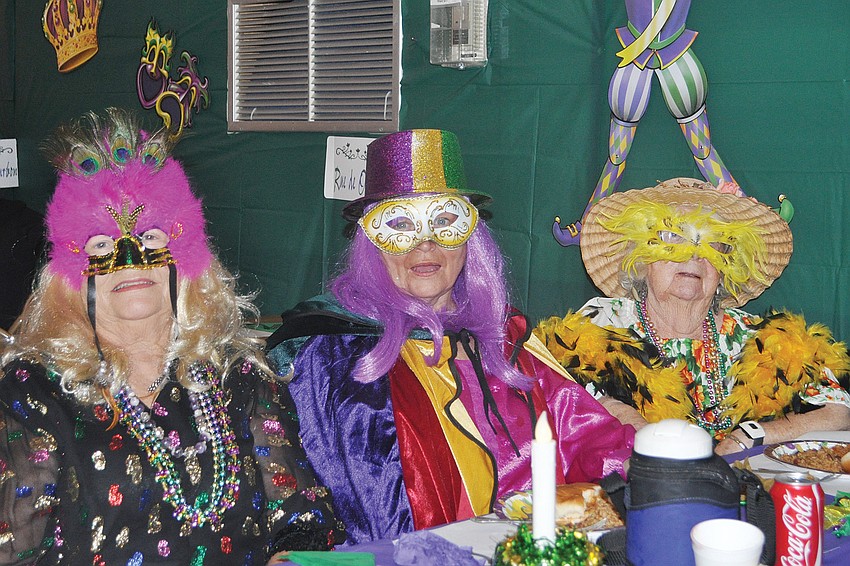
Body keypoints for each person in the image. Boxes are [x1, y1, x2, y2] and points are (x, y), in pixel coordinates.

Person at [0, 108, 344, 565]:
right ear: (69, 269)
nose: (130, 260)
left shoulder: (239, 375)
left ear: (186, 255)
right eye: (101, 245)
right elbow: (17, 550)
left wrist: (292, 557)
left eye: (152, 237)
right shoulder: (33, 389)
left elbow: (302, 519)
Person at [265, 129, 635, 544]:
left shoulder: (504, 335)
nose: (425, 245)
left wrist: (662, 464)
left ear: (470, 237)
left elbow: (590, 437)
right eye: (401, 226)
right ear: (372, 241)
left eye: (444, 221)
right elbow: (349, 508)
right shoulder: (335, 352)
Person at [536, 177, 850, 455]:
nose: (694, 255)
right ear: (643, 262)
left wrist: (755, 435)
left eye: (714, 244)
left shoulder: (760, 338)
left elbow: (838, 412)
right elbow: (557, 393)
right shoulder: (602, 324)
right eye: (672, 239)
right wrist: (633, 423)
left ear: (726, 269)